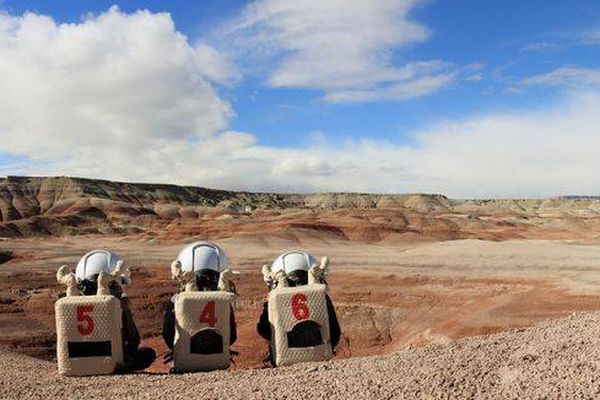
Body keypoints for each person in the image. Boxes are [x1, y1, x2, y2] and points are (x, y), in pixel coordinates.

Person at [75, 250, 156, 372]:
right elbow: (133, 340)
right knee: (148, 354)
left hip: (79, 363)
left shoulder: (70, 304)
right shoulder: (117, 304)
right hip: (113, 364)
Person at [256, 250, 341, 363]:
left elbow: (264, 329)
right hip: (320, 358)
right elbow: (334, 331)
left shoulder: (275, 300)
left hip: (284, 360)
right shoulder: (321, 297)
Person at [162, 241, 237, 351]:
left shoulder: (176, 300)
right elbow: (232, 337)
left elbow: (168, 336)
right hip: (219, 360)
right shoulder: (223, 300)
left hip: (184, 361)